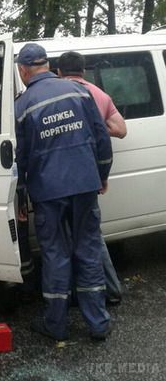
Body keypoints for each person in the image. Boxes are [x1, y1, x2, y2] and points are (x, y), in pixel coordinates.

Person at [15, 43, 113, 341]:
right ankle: (98, 324)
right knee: (88, 249)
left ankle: (56, 325)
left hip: (48, 192)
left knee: (56, 256)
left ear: (23, 70)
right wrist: (102, 174)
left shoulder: (21, 106)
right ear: (49, 66)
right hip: (85, 184)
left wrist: (21, 197)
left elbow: (20, 159)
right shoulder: (80, 92)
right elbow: (101, 139)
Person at [58, 51, 127, 305]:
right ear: (83, 71)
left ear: (58, 72)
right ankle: (110, 289)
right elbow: (120, 129)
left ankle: (75, 294)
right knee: (91, 236)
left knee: (64, 238)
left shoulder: (54, 91)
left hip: (59, 176)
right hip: (90, 173)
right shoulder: (98, 94)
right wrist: (97, 125)